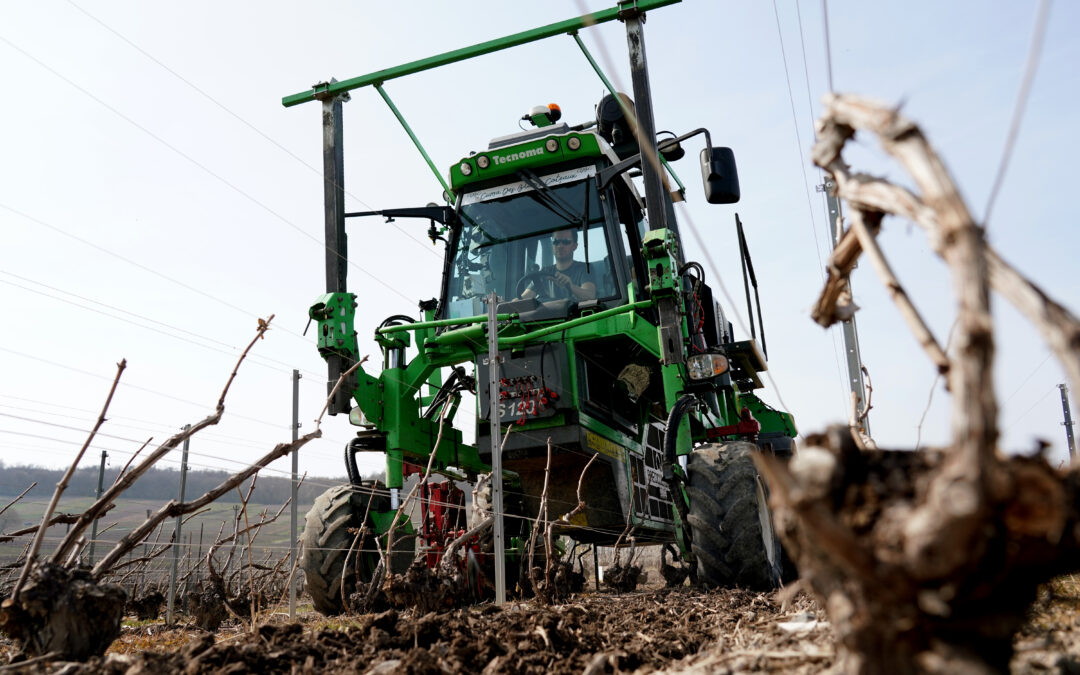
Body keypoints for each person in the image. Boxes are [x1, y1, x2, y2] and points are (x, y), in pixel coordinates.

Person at [520, 229, 597, 302]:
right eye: (556, 242)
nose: (560, 246)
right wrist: (515, 302)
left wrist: (570, 286)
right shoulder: (544, 272)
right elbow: (523, 299)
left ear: (575, 246)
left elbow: (590, 296)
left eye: (566, 242)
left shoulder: (584, 268)